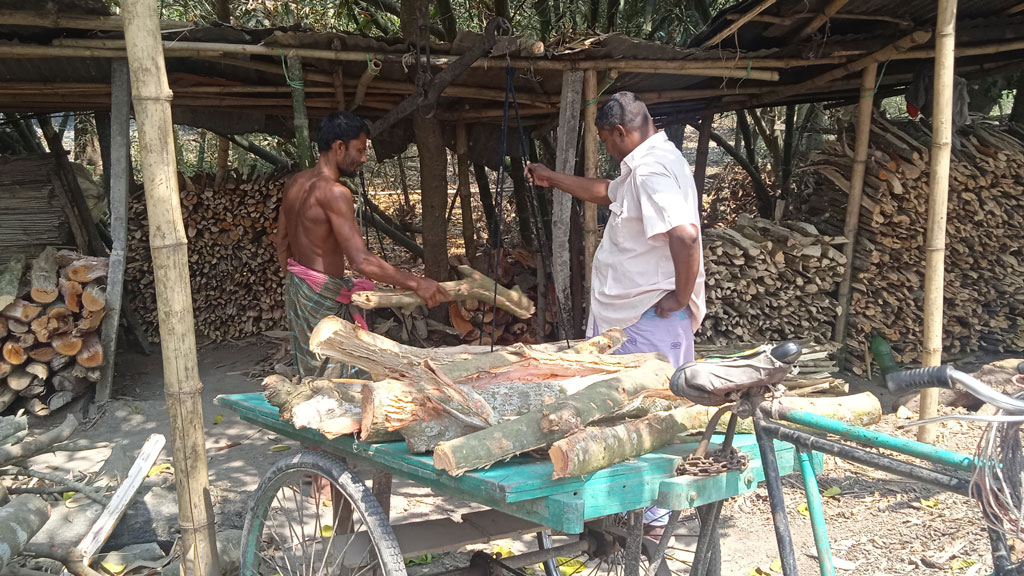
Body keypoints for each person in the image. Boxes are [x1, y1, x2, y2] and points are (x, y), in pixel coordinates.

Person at [526, 91, 705, 535]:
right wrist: (552, 178)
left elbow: (684, 236)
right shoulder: (652, 161)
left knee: (644, 416)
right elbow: (607, 192)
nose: (607, 148)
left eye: (606, 140)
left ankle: (649, 523)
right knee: (649, 415)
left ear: (620, 132)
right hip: (640, 316)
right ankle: (645, 516)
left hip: (646, 318)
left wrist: (680, 297)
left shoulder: (651, 171)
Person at [276, 111, 450, 378]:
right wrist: (417, 282)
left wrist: (300, 283)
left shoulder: (295, 183)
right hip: (322, 295)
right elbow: (361, 261)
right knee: (337, 379)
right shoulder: (335, 193)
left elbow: (282, 241)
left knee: (313, 368)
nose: (364, 158)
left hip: (299, 289)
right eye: (360, 150)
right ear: (339, 147)